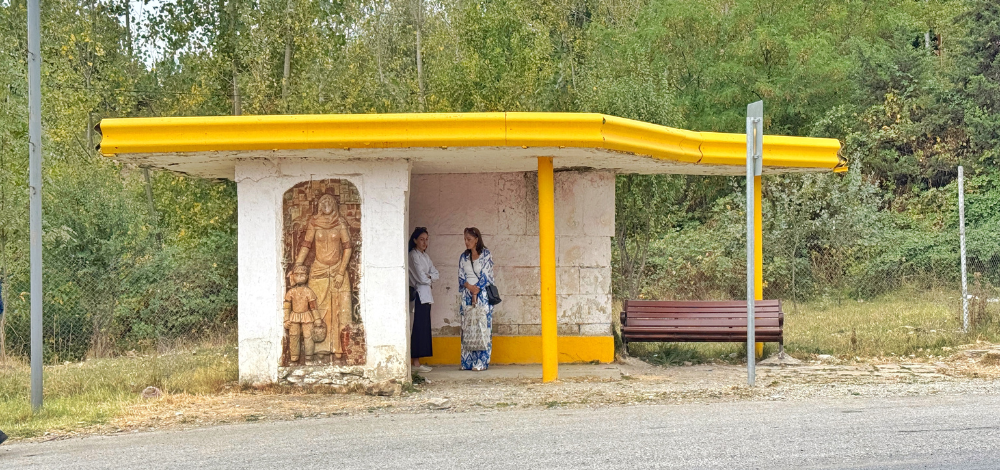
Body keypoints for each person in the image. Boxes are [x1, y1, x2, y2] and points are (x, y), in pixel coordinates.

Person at [295, 193, 353, 362]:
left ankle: (339, 349)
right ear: (319, 205)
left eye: (329, 200)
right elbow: (306, 245)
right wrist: (298, 264)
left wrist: (341, 272)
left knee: (341, 310)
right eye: (323, 201)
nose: (326, 203)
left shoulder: (340, 222)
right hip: (318, 270)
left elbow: (347, 248)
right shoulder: (314, 222)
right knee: (317, 309)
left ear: (334, 205)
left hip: (338, 271)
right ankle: (319, 348)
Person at [458, 227, 496, 371]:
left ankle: (482, 361)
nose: (466, 242)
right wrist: (469, 287)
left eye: (469, 239)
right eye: (465, 239)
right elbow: (461, 276)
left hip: (482, 295)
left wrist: (476, 291)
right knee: (468, 327)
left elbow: (487, 275)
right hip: (468, 293)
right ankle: (467, 361)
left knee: (482, 328)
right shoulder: (463, 256)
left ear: (476, 240)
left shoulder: (486, 254)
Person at [408, 227, 438, 373]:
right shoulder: (413, 255)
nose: (425, 242)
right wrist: (429, 277)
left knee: (424, 327)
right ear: (415, 240)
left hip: (427, 296)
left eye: (426, 239)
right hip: (418, 294)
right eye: (421, 239)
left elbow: (436, 273)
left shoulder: (425, 256)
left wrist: (429, 276)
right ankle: (415, 362)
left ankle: (418, 361)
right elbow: (420, 277)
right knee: (418, 327)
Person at [283, 265, 323, 364]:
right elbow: (287, 307)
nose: (300, 277)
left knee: (308, 336)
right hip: (294, 316)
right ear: (293, 277)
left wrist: (317, 319)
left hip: (307, 316)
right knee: (294, 335)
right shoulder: (291, 292)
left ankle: (309, 357)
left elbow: (313, 307)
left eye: (302, 275)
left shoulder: (308, 292)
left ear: (307, 276)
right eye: (297, 275)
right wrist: (286, 319)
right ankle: (294, 357)